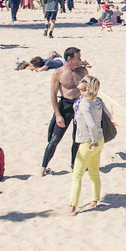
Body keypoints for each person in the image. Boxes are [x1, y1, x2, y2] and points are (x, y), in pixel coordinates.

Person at [42, 47, 88, 175]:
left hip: (79, 105)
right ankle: (43, 168)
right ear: (69, 59)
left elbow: (89, 89)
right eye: (77, 58)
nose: (80, 59)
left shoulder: (83, 71)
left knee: (77, 138)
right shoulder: (59, 73)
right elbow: (53, 94)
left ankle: (74, 165)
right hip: (65, 106)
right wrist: (57, 114)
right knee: (55, 138)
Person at [69, 75, 107, 215]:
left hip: (88, 142)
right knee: (94, 173)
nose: (80, 82)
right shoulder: (98, 101)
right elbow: (108, 115)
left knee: (77, 175)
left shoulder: (84, 103)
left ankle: (72, 207)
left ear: (89, 87)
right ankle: (94, 201)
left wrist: (93, 138)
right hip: (99, 140)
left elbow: (91, 124)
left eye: (83, 81)